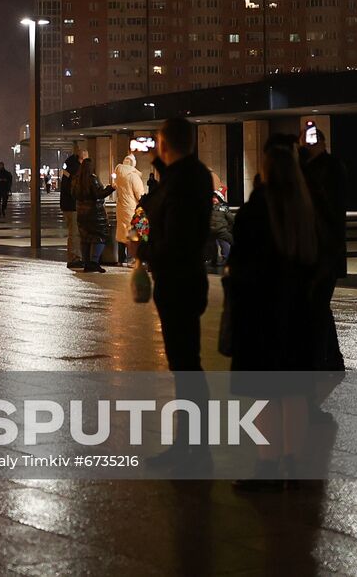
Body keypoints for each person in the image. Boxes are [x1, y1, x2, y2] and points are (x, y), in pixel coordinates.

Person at [225, 139, 319, 490]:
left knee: (265, 394)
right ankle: (294, 466)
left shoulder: (257, 208)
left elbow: (240, 259)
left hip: (260, 313)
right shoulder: (303, 208)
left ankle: (267, 466)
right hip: (296, 314)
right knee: (294, 393)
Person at [136, 118, 214, 472]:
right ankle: (191, 445)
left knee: (186, 367)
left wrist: (146, 251)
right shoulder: (190, 174)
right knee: (185, 365)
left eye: (157, 143)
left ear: (165, 144)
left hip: (179, 281)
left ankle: (192, 448)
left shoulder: (182, 182)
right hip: (186, 279)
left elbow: (174, 236)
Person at [301, 128, 346, 373]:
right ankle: (331, 357)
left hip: (324, 250)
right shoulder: (323, 168)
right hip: (323, 249)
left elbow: (327, 209)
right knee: (319, 306)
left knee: (318, 306)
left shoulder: (326, 169)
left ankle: (324, 358)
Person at [73, 157, 114, 272]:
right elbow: (98, 194)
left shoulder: (76, 179)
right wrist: (111, 188)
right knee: (100, 237)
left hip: (81, 213)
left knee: (85, 238)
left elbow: (73, 193)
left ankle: (86, 263)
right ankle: (94, 262)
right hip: (95, 214)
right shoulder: (92, 179)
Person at [113, 154, 147, 266]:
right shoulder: (133, 176)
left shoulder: (119, 175)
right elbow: (139, 194)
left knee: (121, 231)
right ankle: (132, 259)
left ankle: (121, 259)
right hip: (131, 207)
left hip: (121, 206)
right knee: (132, 232)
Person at [60, 151, 81, 269]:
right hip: (72, 206)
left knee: (73, 233)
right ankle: (74, 257)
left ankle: (74, 256)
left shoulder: (67, 173)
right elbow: (73, 191)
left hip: (67, 206)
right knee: (74, 233)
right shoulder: (74, 173)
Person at [209, 191, 234, 273]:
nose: (214, 199)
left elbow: (231, 219)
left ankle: (227, 258)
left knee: (228, 241)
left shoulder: (224, 208)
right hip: (211, 231)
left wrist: (228, 228)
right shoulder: (208, 207)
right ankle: (213, 260)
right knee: (212, 246)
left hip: (222, 230)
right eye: (212, 197)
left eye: (215, 197)